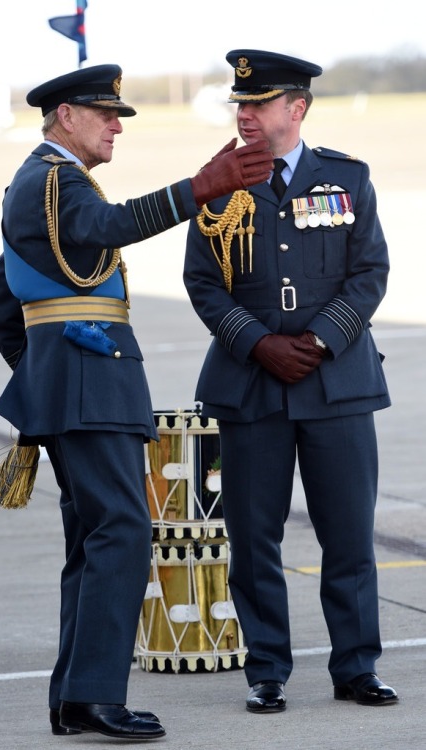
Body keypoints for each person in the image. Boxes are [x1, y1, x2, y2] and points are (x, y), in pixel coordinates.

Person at [0, 63, 273, 740]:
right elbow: (110, 225)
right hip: (92, 388)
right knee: (121, 533)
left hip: (78, 387)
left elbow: (5, 310)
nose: (117, 126)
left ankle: (74, 698)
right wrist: (200, 189)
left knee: (94, 540)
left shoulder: (41, 187)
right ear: (66, 117)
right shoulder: (52, 182)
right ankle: (92, 698)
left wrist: (43, 378)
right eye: (106, 113)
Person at [183, 49, 398, 713]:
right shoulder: (217, 183)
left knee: (349, 536)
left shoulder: (346, 178)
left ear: (295, 109)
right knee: (252, 540)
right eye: (239, 105)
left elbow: (370, 273)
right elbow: (202, 283)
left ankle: (356, 667)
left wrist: (320, 338)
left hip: (336, 385)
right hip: (251, 387)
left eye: (257, 104)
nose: (244, 115)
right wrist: (260, 344)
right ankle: (266, 670)